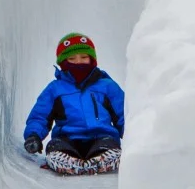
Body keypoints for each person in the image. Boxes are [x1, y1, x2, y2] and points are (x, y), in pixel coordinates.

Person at [23, 32, 124, 175]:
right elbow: (40, 116)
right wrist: (34, 135)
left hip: (101, 136)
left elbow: (124, 113)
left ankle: (103, 159)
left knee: (108, 145)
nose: (78, 62)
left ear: (92, 60)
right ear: (63, 62)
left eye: (84, 57)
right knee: (55, 146)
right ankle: (67, 162)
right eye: (72, 59)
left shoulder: (107, 86)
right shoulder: (55, 89)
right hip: (67, 138)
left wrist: (136, 136)